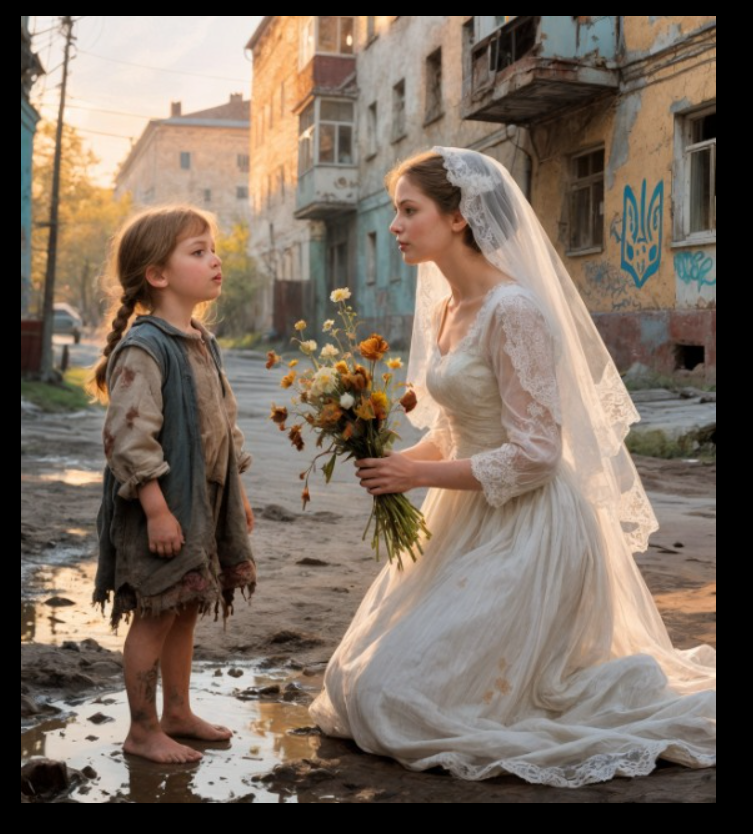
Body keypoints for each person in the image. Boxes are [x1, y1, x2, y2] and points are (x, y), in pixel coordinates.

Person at [308, 147, 716, 787]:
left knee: (391, 702)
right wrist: (394, 462)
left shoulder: (514, 310)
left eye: (408, 211)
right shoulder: (446, 308)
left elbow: (535, 455)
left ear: (458, 218)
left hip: (530, 531)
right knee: (351, 681)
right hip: (464, 521)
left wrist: (414, 478)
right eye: (397, 212)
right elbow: (455, 429)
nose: (395, 226)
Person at [89, 205, 257, 764]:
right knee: (156, 611)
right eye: (199, 251)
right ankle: (141, 729)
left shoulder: (200, 338)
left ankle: (177, 712)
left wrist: (239, 496)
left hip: (202, 504)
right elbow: (128, 441)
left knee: (185, 606)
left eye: (214, 250)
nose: (215, 260)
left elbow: (223, 425)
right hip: (159, 507)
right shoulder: (145, 346)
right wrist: (158, 511)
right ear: (158, 275)